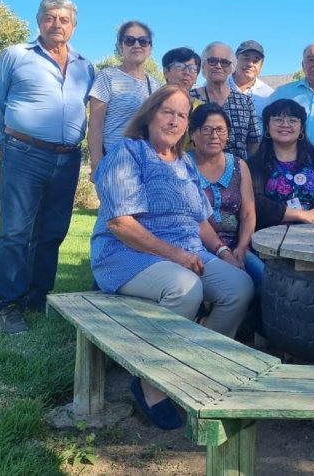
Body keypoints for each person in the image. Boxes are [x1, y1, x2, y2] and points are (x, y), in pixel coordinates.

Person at [91, 85, 254, 429]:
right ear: (149, 114)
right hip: (125, 253)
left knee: (239, 287)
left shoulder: (183, 163)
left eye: (182, 115)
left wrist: (224, 252)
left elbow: (200, 220)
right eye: (168, 111)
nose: (175, 120)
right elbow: (121, 224)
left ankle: (197, 363)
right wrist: (175, 255)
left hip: (186, 253)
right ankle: (150, 382)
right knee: (185, 289)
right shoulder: (127, 153)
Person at [0, 0, 94, 334]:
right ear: (39, 20)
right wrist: (7, 141)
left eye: (64, 19)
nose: (57, 24)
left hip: (68, 157)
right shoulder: (15, 56)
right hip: (24, 154)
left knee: (52, 232)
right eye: (50, 17)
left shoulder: (85, 66)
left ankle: (38, 297)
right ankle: (7, 306)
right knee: (15, 232)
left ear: (73, 26)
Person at [188, 103, 264, 286]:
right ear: (192, 133)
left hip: (236, 245)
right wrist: (223, 252)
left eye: (220, 130)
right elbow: (193, 217)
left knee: (266, 280)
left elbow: (248, 213)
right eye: (206, 129)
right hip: (196, 247)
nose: (214, 136)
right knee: (238, 283)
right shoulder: (183, 165)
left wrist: (242, 247)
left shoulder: (239, 165)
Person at [248, 98, 314, 231]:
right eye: (278, 119)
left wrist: (313, 223)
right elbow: (256, 203)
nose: (285, 124)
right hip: (270, 233)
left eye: (292, 120)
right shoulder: (255, 163)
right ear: (267, 126)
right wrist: (300, 215)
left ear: (301, 128)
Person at [88, 20, 161, 177]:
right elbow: (95, 124)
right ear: (120, 46)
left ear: (150, 47)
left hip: (146, 165)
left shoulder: (156, 85)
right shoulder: (107, 77)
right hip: (114, 163)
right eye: (129, 40)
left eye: (143, 41)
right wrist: (97, 164)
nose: (137, 45)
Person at [190, 42, 261, 160]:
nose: (218, 66)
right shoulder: (189, 99)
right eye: (212, 61)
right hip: (195, 172)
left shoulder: (245, 102)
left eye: (224, 62)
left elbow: (254, 142)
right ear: (203, 65)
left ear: (231, 67)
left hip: (237, 173)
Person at [228, 40, 273, 118]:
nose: (250, 64)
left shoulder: (268, 95)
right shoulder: (218, 85)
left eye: (256, 61)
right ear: (235, 60)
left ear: (261, 66)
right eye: (246, 58)